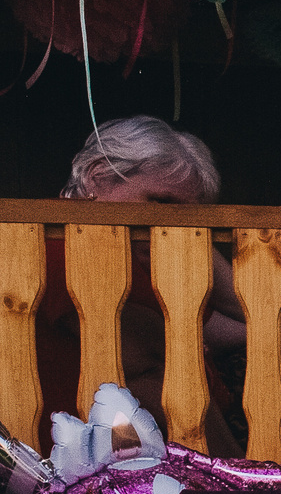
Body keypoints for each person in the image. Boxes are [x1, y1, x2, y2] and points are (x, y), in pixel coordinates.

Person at [37, 117, 246, 445]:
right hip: (80, 459)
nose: (171, 226)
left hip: (151, 454)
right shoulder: (57, 238)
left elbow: (248, 322)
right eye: (161, 203)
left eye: (187, 216)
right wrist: (232, 474)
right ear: (98, 175)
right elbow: (138, 358)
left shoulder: (136, 255)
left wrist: (193, 233)